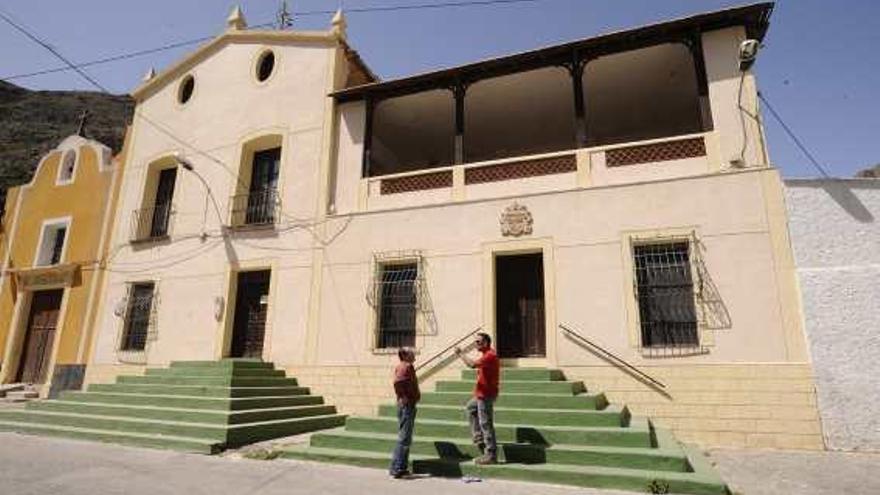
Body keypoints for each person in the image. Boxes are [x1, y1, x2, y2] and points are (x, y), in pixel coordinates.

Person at [454, 332, 500, 465]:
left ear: (486, 342)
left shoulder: (490, 355)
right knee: (470, 407)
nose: (476, 344)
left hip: (486, 394)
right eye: (475, 342)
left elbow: (472, 365)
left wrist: (460, 353)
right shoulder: (486, 355)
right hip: (482, 393)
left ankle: (491, 454)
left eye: (478, 342)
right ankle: (478, 438)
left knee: (486, 423)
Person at [389, 347, 420, 478]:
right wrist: (403, 396)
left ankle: (400, 467)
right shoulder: (405, 366)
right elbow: (397, 382)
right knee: (404, 437)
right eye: (412, 352)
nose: (414, 354)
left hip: (408, 405)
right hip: (407, 406)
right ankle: (397, 468)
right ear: (406, 355)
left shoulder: (407, 366)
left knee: (405, 437)